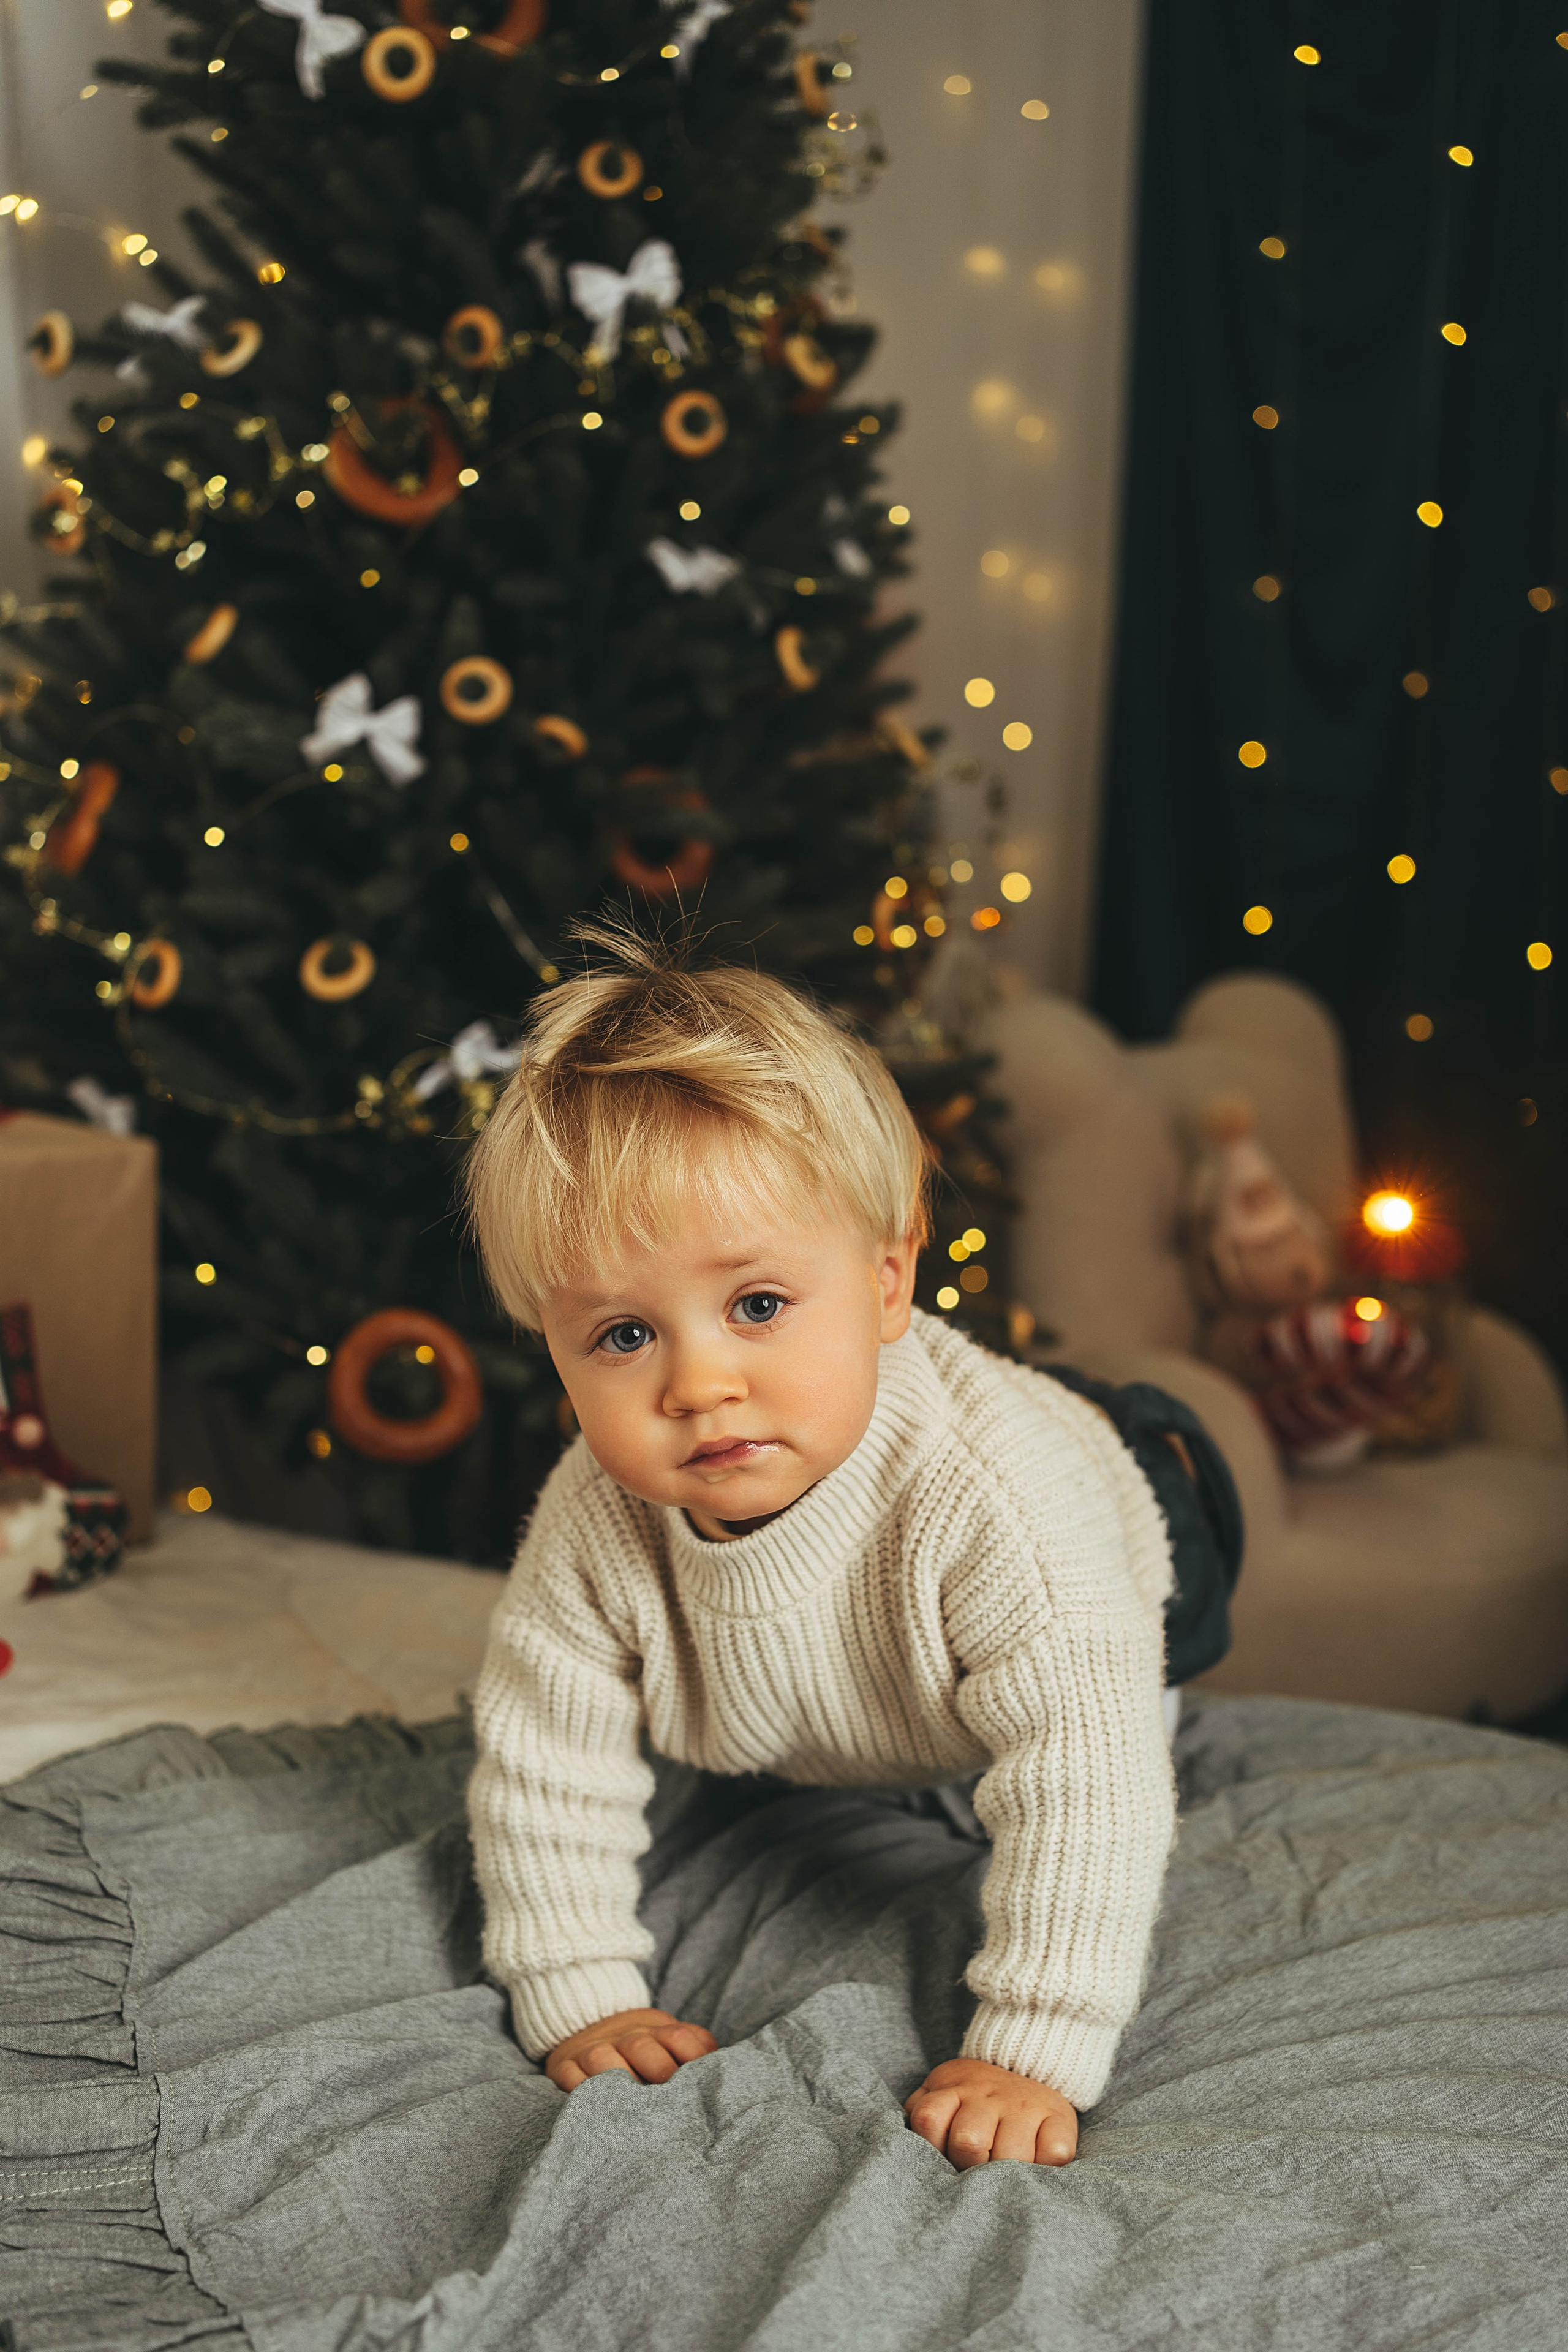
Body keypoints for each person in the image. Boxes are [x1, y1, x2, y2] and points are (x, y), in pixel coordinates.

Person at [465, 925, 1240, 2170]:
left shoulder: (1002, 1505)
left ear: (886, 1284)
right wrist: (580, 1993)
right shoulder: (593, 1524)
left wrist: (1031, 2049)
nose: (699, 1384)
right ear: (551, 1347)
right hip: (863, 1677)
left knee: (1096, 1723)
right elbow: (541, 1759)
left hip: (1122, 1539)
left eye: (758, 1305)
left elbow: (1086, 1783)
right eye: (622, 1335)